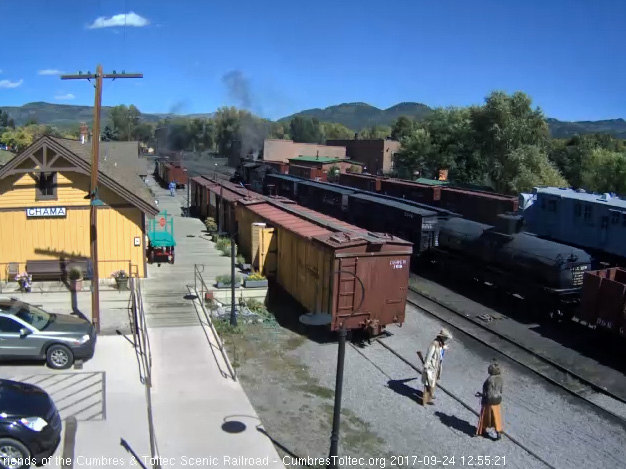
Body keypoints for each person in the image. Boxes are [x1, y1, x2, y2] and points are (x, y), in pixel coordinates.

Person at [421, 328, 452, 406]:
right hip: (432, 366)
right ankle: (425, 400)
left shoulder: (441, 343)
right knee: (428, 382)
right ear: (442, 337)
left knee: (433, 382)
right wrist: (426, 365)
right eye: (446, 337)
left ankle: (430, 396)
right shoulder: (434, 343)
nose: (446, 339)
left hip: (437, 365)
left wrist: (444, 348)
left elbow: (440, 350)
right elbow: (429, 355)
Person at [475, 362, 504, 440]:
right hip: (497, 400)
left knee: (485, 416)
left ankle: (482, 429)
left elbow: (487, 392)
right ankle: (498, 431)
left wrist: (481, 395)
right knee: (496, 416)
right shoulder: (500, 379)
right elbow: (500, 391)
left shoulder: (489, 380)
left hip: (489, 401)